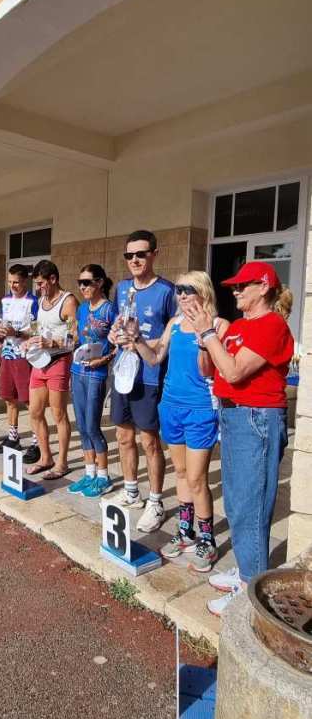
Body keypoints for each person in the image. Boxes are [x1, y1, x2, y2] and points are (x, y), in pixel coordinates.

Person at [187, 261, 294, 617]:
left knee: (251, 506)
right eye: (233, 286)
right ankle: (248, 572)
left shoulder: (272, 325)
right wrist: (204, 339)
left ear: (263, 287)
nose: (235, 291)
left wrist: (209, 333)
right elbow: (209, 370)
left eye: (242, 286)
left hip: (256, 418)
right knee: (235, 502)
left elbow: (233, 372)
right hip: (233, 416)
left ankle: (251, 590)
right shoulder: (238, 327)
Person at [130, 272, 220, 572]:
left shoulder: (218, 325)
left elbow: (211, 371)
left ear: (203, 292)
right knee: (180, 473)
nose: (180, 295)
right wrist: (137, 338)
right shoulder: (174, 323)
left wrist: (205, 338)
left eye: (187, 289)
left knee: (197, 478)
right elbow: (155, 357)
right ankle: (185, 532)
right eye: (178, 290)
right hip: (170, 406)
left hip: (200, 410)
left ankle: (207, 539)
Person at [108, 230, 175, 533]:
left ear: (154, 254)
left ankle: (156, 502)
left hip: (149, 375)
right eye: (129, 255)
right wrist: (114, 334)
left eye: (141, 254)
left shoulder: (167, 291)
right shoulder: (123, 288)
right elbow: (118, 322)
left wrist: (142, 343)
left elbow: (170, 337)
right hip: (124, 372)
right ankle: (131, 491)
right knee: (123, 436)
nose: (134, 260)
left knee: (149, 441)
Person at [25, 260, 77, 480]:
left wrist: (52, 343)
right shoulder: (41, 300)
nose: (38, 288)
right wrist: (28, 340)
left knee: (59, 414)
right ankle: (45, 457)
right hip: (39, 362)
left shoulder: (68, 301)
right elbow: (38, 329)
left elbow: (74, 338)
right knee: (35, 412)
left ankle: (62, 463)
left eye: (41, 283)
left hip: (59, 361)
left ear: (53, 279)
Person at [68, 264, 116, 498]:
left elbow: (120, 344)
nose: (82, 287)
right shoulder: (82, 308)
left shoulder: (109, 310)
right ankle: (89, 473)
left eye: (86, 282)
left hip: (96, 374)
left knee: (92, 426)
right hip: (78, 370)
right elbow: (77, 337)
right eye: (80, 283)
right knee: (80, 424)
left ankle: (103, 476)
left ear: (99, 282)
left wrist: (104, 359)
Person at [0, 265, 39, 454]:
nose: (12, 285)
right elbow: (1, 325)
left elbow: (37, 331)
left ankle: (37, 442)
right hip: (7, 354)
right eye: (10, 281)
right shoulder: (5, 300)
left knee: (29, 400)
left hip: (24, 355)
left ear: (25, 281)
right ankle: (13, 438)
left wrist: (17, 333)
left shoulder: (33, 301)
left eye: (16, 282)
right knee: (8, 397)